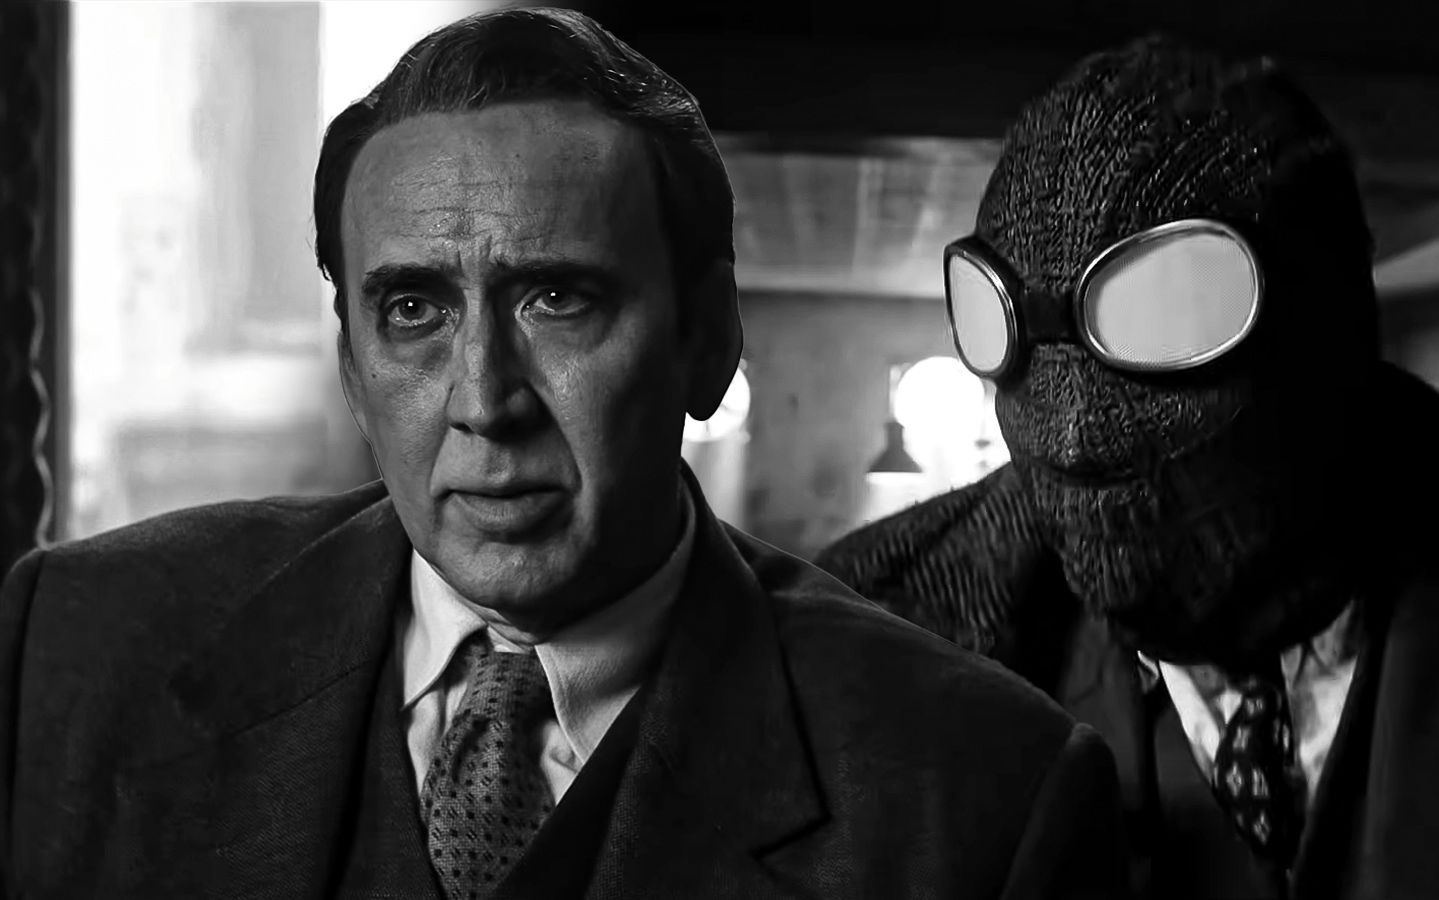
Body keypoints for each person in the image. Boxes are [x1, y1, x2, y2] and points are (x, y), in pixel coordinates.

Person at [0, 9, 1131, 899]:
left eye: (556, 299)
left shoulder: (977, 792)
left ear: (706, 341)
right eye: (412, 311)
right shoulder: (72, 647)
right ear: (350, 364)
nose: (483, 403)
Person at [817, 34, 1439, 900]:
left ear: (1324, 317)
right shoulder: (860, 639)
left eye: (1169, 310)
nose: (1073, 435)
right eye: (1010, 330)